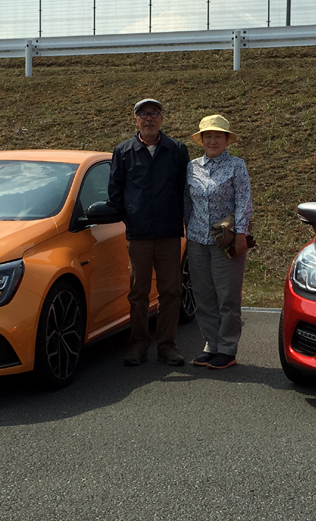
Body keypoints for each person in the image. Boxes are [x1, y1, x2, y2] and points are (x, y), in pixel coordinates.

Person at [108, 98, 190, 367]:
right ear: (135, 120)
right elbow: (115, 192)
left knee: (171, 292)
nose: (149, 118)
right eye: (143, 114)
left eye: (154, 113)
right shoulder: (123, 152)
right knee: (138, 293)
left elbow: (185, 189)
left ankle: (167, 345)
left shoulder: (177, 150)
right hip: (139, 234)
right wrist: (131, 217)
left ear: (162, 118)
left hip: (169, 233)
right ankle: (139, 344)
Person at [183, 114, 253, 370]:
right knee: (203, 295)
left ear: (226, 140)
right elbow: (187, 201)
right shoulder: (191, 167)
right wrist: (185, 228)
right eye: (208, 136)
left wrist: (241, 233)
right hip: (196, 239)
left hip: (227, 240)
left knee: (227, 296)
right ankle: (211, 345)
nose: (213, 141)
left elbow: (243, 200)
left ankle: (227, 348)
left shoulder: (237, 166)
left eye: (218, 136)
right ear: (201, 140)